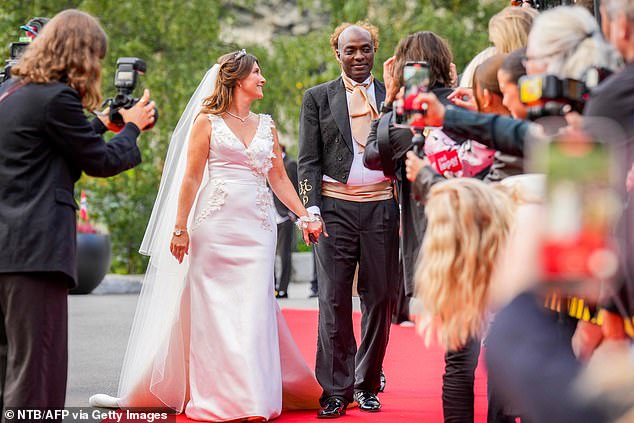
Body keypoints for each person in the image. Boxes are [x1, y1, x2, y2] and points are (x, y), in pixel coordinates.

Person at [90, 50, 323, 421]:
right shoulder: (207, 122)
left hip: (258, 229)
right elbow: (191, 178)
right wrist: (179, 227)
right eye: (257, 73)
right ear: (236, 80)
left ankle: (253, 398)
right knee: (214, 313)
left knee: (254, 311)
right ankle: (219, 396)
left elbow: (278, 176)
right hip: (215, 228)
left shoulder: (266, 125)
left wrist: (304, 215)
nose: (262, 79)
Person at [0, 9, 155, 411]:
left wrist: (102, 122)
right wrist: (134, 127)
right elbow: (99, 162)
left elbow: (51, 143)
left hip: (7, 251)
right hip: (36, 253)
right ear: (80, 54)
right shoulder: (56, 96)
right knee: (37, 373)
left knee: (9, 368)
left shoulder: (11, 92)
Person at [298, 22, 399, 418]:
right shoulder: (317, 98)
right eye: (350, 50)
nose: (359, 57)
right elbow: (307, 161)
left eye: (365, 49)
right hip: (333, 210)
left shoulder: (392, 96)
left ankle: (368, 383)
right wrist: (311, 210)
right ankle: (336, 391)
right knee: (333, 299)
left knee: (380, 298)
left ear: (375, 50)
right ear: (337, 54)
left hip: (382, 207)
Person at [274, 144, 298, 299]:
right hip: (270, 213)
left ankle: (283, 288)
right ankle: (273, 287)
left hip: (285, 216)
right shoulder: (268, 163)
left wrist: (294, 213)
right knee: (269, 254)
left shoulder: (290, 164)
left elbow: (295, 187)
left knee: (284, 254)